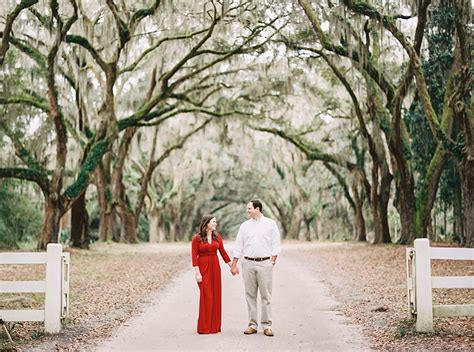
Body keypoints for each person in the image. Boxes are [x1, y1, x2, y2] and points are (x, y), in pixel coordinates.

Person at [231, 200, 281, 337]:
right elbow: (238, 245)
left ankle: (267, 326)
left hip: (265, 263)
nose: (247, 211)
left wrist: (273, 261)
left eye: (249, 208)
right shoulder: (244, 226)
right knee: (250, 295)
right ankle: (252, 325)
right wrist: (234, 263)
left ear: (257, 209)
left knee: (266, 296)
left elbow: (276, 243)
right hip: (247, 263)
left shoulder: (271, 224)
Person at [191, 215, 232, 334]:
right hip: (203, 268)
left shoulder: (217, 237)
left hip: (215, 268)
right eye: (213, 222)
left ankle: (214, 327)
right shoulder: (197, 238)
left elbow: (223, 253)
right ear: (207, 223)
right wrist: (197, 273)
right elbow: (194, 256)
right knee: (206, 296)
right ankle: (204, 327)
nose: (216, 224)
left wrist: (232, 266)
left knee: (215, 296)